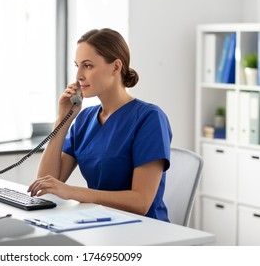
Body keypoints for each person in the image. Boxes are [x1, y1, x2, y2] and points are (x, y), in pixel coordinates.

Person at [28, 28, 172, 222]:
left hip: (144, 229)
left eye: (88, 66)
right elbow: (46, 183)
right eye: (77, 66)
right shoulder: (84, 119)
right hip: (99, 223)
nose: (79, 74)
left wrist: (72, 192)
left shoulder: (149, 118)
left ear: (115, 67)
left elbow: (141, 202)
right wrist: (62, 120)